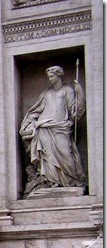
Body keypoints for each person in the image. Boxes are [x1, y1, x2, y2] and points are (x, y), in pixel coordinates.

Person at [19, 65, 87, 193]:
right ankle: (52, 182)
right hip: (44, 128)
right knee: (47, 156)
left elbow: (76, 113)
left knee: (66, 153)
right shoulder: (46, 94)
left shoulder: (67, 90)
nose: (50, 79)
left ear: (59, 75)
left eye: (52, 76)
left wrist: (80, 94)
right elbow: (35, 112)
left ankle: (70, 181)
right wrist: (27, 125)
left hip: (61, 128)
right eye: (49, 77)